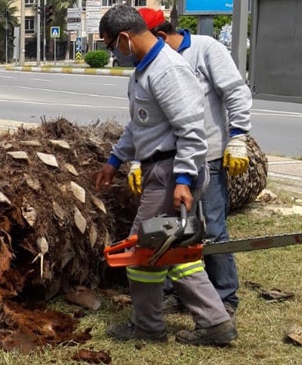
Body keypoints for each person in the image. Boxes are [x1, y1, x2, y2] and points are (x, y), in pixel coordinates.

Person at [95, 5, 237, 346]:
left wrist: (184, 180)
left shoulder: (168, 70)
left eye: (111, 45)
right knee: (172, 251)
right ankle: (215, 322)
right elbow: (139, 125)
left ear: (126, 38)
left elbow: (191, 130)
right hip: (159, 169)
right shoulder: (144, 72)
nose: (113, 53)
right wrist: (115, 159)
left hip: (172, 170)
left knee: (143, 249)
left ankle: (149, 327)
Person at [136, 7, 253, 320]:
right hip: (174, 161)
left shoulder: (206, 50)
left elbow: (235, 92)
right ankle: (180, 293)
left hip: (209, 155)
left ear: (158, 36)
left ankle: (225, 296)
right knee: (177, 231)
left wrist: (238, 136)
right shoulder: (155, 64)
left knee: (213, 228)